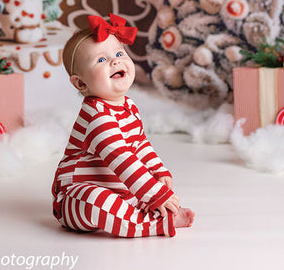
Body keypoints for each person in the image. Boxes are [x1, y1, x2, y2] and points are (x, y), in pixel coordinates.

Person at [52, 14, 195, 238]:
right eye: (101, 60)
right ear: (81, 83)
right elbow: (121, 158)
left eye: (119, 54)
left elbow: (139, 144)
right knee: (96, 202)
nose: (115, 61)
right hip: (75, 197)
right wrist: (155, 194)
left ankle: (138, 211)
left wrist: (157, 170)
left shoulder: (128, 106)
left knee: (132, 194)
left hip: (118, 191)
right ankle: (152, 224)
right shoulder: (96, 116)